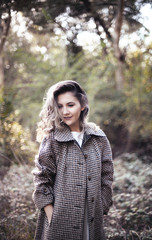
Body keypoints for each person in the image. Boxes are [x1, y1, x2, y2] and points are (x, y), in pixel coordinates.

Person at [32, 80, 113, 240]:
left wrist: (102, 205)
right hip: (60, 221)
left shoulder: (99, 137)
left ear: (82, 105)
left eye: (70, 105)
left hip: (92, 219)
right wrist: (51, 216)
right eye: (60, 106)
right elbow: (41, 179)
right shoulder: (52, 139)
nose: (65, 111)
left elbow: (107, 176)